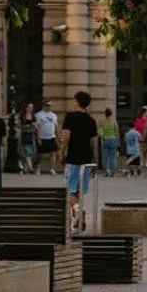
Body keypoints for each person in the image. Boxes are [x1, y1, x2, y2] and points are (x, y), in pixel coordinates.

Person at [60, 90, 98, 232]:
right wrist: (96, 162)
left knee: (70, 190)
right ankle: (76, 215)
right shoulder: (91, 120)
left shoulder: (70, 117)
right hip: (86, 161)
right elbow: (94, 143)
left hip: (72, 158)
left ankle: (77, 212)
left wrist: (61, 153)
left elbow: (66, 136)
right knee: (80, 190)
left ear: (77, 102)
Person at [34, 100, 59, 174]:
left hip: (52, 137)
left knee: (53, 153)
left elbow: (56, 127)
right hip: (42, 137)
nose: (48, 107)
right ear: (43, 105)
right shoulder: (38, 115)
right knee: (39, 154)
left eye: (50, 105)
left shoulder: (54, 115)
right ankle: (37, 167)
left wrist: (58, 137)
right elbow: (37, 128)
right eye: (47, 105)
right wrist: (38, 138)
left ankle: (52, 169)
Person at [99, 108, 120, 176]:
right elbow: (117, 133)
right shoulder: (114, 122)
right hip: (113, 140)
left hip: (105, 140)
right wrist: (118, 142)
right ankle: (112, 171)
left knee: (104, 157)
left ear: (105, 114)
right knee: (113, 157)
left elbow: (98, 129)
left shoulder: (102, 121)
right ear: (111, 114)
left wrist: (101, 136)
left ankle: (106, 171)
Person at [19, 103, 38, 174]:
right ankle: (30, 168)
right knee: (26, 151)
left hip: (31, 134)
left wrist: (34, 126)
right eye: (29, 107)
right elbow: (19, 126)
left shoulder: (34, 116)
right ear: (26, 108)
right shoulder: (22, 116)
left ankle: (26, 169)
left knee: (31, 151)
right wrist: (27, 126)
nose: (31, 109)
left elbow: (36, 127)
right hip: (24, 134)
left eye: (32, 107)